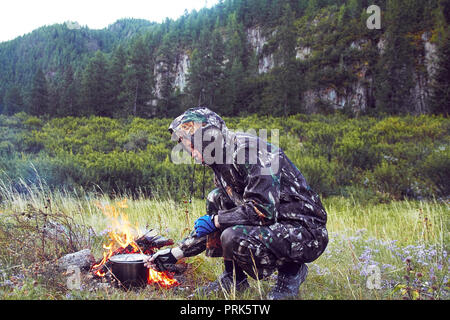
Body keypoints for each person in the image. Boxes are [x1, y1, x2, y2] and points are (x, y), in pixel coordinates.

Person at [144, 107, 328, 299]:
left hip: (306, 232)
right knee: (217, 198)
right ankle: (233, 280)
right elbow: (228, 214)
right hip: (277, 224)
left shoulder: (250, 152)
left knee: (232, 235)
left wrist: (216, 220)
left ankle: (291, 273)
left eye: (191, 145)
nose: (190, 153)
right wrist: (177, 253)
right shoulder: (220, 160)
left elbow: (262, 210)